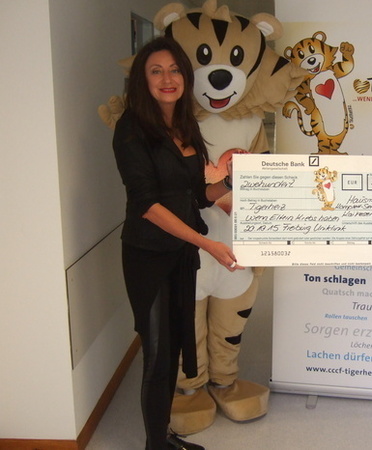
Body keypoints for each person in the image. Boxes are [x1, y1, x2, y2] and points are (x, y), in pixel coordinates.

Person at [112, 36, 244, 450]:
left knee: (170, 352)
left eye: (173, 70)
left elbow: (195, 196)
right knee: (157, 354)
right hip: (148, 256)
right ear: (143, 80)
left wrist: (229, 181)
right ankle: (155, 445)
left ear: (185, 77)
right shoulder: (132, 128)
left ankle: (162, 436)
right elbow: (147, 204)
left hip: (180, 255)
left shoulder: (186, 125)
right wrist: (207, 245)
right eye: (156, 71)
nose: (167, 78)